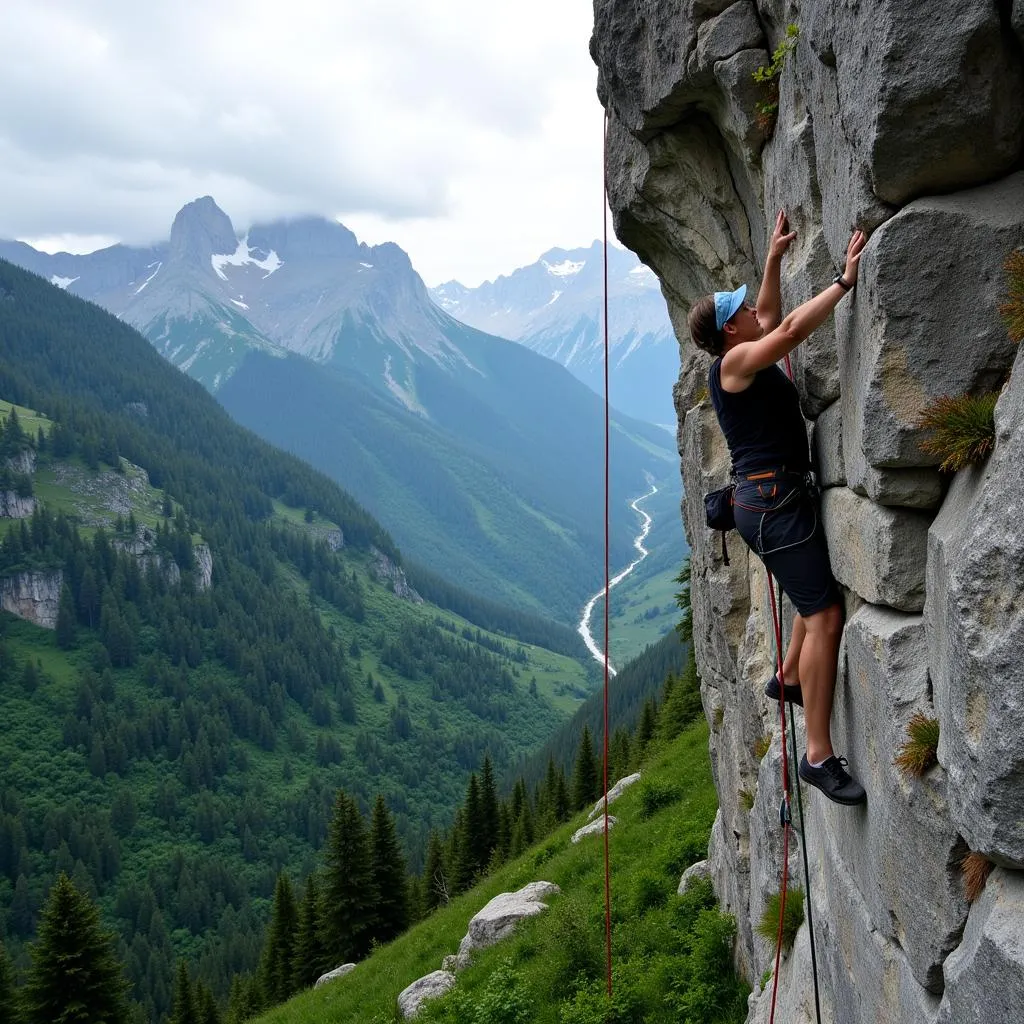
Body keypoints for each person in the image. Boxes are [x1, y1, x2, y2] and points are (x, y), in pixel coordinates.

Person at [687, 211, 868, 806]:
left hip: (766, 500)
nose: (749, 312)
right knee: (826, 617)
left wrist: (772, 261)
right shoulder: (734, 365)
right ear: (728, 332)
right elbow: (786, 329)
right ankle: (817, 755)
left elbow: (766, 317)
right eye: (737, 311)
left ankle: (790, 675)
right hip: (772, 502)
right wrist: (843, 283)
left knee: (807, 595)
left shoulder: (738, 353)